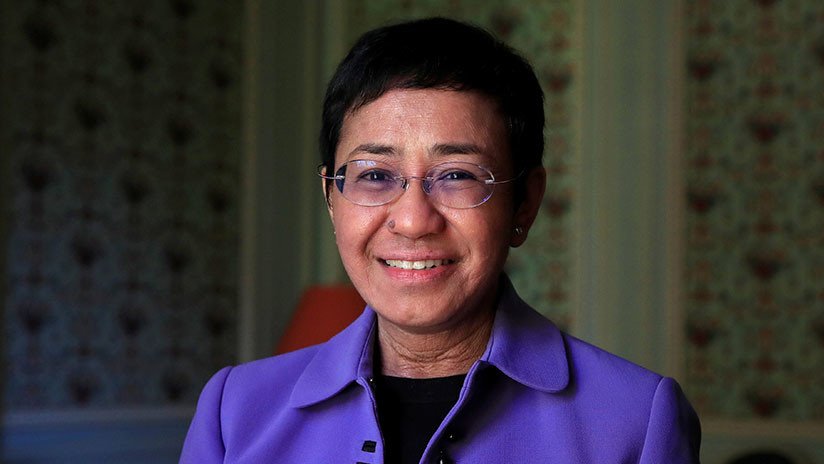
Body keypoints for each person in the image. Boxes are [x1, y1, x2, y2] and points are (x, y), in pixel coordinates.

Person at [180, 17, 701, 463]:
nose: (413, 220)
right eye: (374, 175)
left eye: (456, 175)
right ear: (331, 198)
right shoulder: (235, 411)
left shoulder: (638, 420)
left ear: (525, 202)